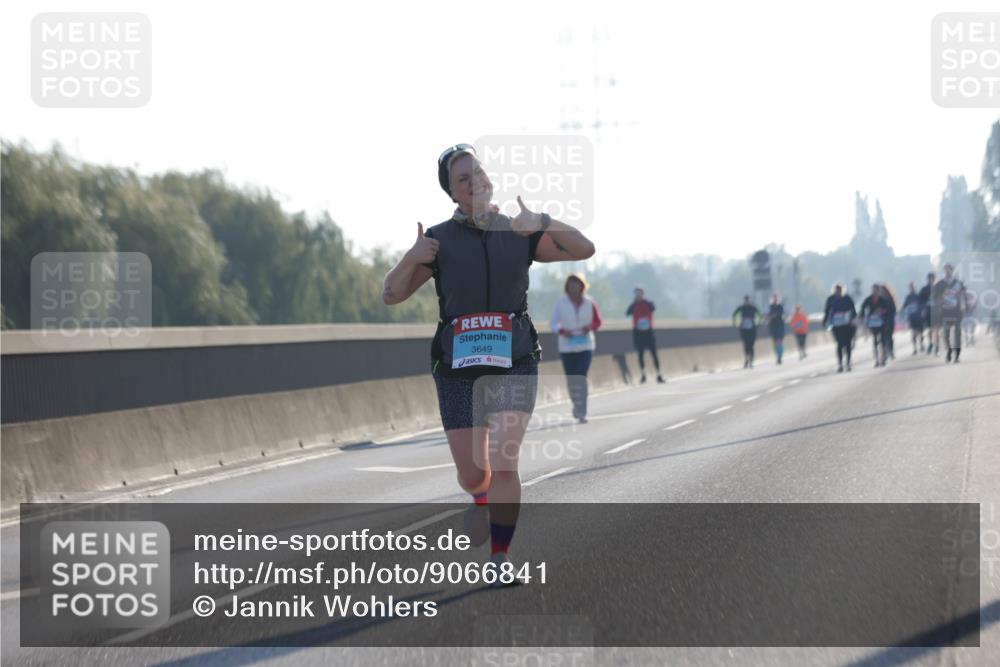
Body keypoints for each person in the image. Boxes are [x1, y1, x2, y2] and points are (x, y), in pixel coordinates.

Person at [381, 143, 595, 581]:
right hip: (457, 369)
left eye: (478, 172)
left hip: (515, 360)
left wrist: (543, 222)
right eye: (464, 178)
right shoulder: (439, 240)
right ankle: (479, 499)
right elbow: (392, 293)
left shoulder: (518, 231)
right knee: (472, 472)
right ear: (453, 193)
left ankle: (499, 559)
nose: (475, 180)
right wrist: (411, 256)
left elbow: (585, 248)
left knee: (504, 464)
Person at [550, 274, 602, 422]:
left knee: (580, 377)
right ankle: (576, 404)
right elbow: (553, 323)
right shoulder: (560, 303)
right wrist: (562, 331)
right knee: (571, 379)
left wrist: (590, 327)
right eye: (571, 284)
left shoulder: (590, 302)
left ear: (582, 286)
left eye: (577, 284)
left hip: (585, 345)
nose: (574, 287)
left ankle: (582, 411)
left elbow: (598, 321)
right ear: (567, 287)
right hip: (567, 346)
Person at [626, 286, 665, 384]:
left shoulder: (648, 303)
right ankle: (643, 374)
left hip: (648, 332)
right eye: (636, 293)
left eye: (639, 293)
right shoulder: (633, 305)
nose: (638, 295)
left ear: (643, 294)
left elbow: (653, 308)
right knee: (640, 354)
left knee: (654, 354)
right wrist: (634, 303)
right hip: (638, 332)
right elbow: (627, 313)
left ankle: (659, 374)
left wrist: (643, 301)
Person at [932, 263, 968, 363]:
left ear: (952, 270)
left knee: (957, 333)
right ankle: (949, 351)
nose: (947, 271)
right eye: (946, 269)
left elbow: (964, 295)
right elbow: (934, 297)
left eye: (949, 269)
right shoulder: (940, 284)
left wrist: (964, 306)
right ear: (944, 271)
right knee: (946, 334)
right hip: (945, 311)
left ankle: (957, 355)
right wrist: (941, 299)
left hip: (956, 311)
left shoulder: (958, 283)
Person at [823, 283, 857, 372]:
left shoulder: (848, 299)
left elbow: (853, 311)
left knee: (848, 344)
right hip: (837, 326)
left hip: (847, 325)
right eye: (837, 290)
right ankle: (840, 364)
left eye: (840, 290)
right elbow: (827, 311)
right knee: (839, 344)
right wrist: (825, 321)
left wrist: (853, 319)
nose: (838, 292)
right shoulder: (830, 300)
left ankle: (848, 363)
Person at [860, 283, 890, 367]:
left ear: (878, 291)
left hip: (882, 323)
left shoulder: (883, 300)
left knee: (883, 341)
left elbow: (888, 309)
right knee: (875, 341)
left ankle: (883, 357)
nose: (874, 291)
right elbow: (863, 307)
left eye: (876, 290)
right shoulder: (868, 299)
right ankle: (876, 360)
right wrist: (862, 316)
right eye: (873, 290)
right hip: (873, 323)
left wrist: (882, 311)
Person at [732, 295, 761, 369]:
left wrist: (757, 324)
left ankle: (751, 361)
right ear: (744, 301)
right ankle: (746, 360)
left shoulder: (753, 308)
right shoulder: (741, 308)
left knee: (751, 346)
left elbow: (760, 316)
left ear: (750, 300)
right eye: (746, 300)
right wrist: (736, 324)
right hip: (744, 330)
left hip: (752, 330)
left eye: (748, 300)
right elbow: (734, 315)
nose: (747, 302)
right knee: (746, 346)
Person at [902, 282, 925, 354]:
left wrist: (922, 311)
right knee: (913, 332)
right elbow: (904, 307)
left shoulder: (918, 296)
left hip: (919, 316)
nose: (912, 288)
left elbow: (922, 304)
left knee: (921, 332)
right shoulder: (908, 297)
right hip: (912, 317)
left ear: (915, 287)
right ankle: (915, 348)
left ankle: (921, 343)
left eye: (913, 287)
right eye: (910, 287)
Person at [918, 272, 937, 355]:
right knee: (930, 329)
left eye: (932, 278)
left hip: (937, 311)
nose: (931, 280)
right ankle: (931, 343)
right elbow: (920, 301)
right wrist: (923, 309)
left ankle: (937, 345)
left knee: (936, 329)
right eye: (929, 278)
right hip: (928, 311)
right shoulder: (924, 289)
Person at [766, 293, 786, 365]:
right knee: (775, 343)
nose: (775, 299)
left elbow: (783, 315)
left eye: (776, 298)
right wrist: (769, 317)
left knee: (779, 341)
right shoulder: (770, 307)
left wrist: (775, 315)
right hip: (773, 326)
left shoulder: (780, 306)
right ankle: (778, 356)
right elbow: (767, 316)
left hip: (780, 325)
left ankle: (780, 357)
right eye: (774, 298)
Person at [879, 283, 898, 361]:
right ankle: (885, 353)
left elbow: (893, 309)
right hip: (881, 321)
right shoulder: (880, 299)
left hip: (889, 320)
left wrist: (885, 311)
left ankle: (891, 351)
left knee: (889, 337)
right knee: (883, 338)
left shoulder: (890, 299)